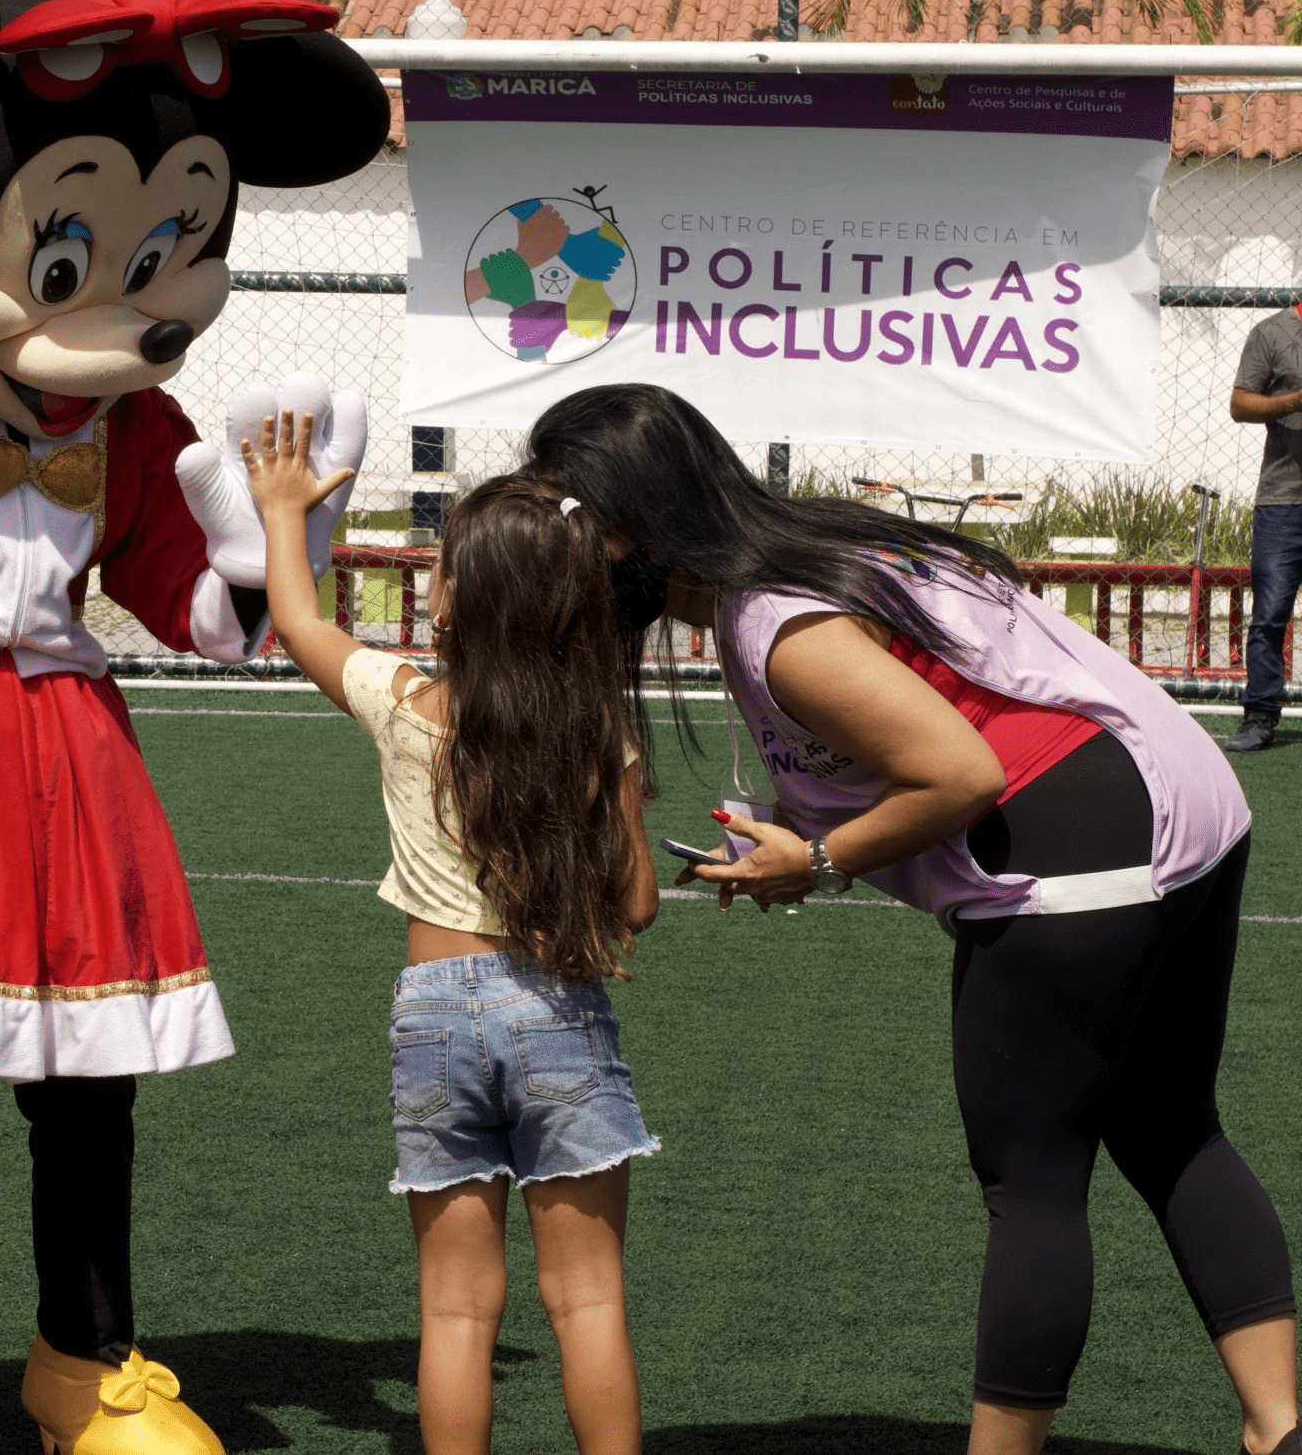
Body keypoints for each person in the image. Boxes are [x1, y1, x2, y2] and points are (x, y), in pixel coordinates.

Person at [528, 383, 1293, 1455]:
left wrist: (822, 858)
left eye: (566, 519)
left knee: (1028, 1180)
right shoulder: (818, 550)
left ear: (630, 524)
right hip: (1187, 807)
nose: (559, 550)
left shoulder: (774, 621)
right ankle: (1279, 1428)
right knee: (1170, 1126)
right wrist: (799, 825)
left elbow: (957, 771)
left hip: (1077, 850)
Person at [247, 416, 659, 1455]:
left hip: (432, 1019)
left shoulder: (405, 704)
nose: (431, 586)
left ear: (459, 599)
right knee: (589, 1304)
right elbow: (638, 904)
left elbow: (296, 617)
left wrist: (285, 513)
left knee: (455, 1313)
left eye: (441, 571)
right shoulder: (598, 729)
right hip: (560, 1013)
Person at [1226, 298, 1302, 752]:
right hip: (1283, 501)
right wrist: (1294, 400)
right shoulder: (1272, 333)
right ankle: (1260, 716)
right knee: (1270, 615)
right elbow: (1239, 405)